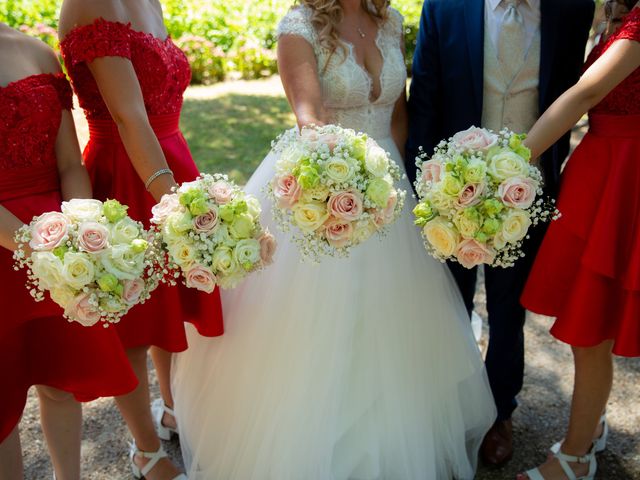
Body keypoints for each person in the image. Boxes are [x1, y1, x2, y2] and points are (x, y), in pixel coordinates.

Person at [171, 1, 496, 479]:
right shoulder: (299, 27)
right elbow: (310, 118)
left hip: (390, 187)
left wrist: (403, 187)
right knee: (319, 322)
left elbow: (398, 113)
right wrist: (346, 190)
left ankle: (388, 438)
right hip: (323, 182)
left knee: (391, 318)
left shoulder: (390, 20)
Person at [405, 0, 594, 466]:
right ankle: (449, 407)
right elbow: (425, 93)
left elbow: (568, 93)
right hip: (450, 186)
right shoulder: (445, 7)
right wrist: (426, 188)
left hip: (525, 189)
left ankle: (498, 413)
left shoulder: (572, 9)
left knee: (510, 310)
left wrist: (543, 177)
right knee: (450, 302)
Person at [57, 1, 224, 478]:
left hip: (170, 157)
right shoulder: (91, 5)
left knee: (170, 306)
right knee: (131, 319)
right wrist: (174, 204)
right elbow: (130, 117)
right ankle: (145, 450)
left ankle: (172, 410)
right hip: (128, 175)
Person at [0, 22, 137, 480]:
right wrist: (37, 247)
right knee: (2, 411)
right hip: (16, 249)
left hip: (57, 245)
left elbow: (69, 163)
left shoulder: (35, 51)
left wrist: (81, 227)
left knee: (59, 383)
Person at [519, 2, 640, 479]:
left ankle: (575, 457)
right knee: (589, 324)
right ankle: (589, 426)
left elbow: (585, 93)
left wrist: (511, 161)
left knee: (593, 329)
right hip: (599, 171)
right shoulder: (614, 12)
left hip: (625, 179)